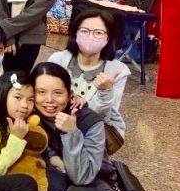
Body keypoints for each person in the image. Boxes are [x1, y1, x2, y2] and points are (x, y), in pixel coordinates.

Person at [31, 62, 122, 191]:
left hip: (94, 180)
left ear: (70, 95)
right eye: (41, 92)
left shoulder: (90, 121)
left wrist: (71, 133)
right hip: (60, 175)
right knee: (41, 174)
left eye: (57, 93)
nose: (49, 100)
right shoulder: (33, 116)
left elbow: (83, 176)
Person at [47, 8, 129, 154]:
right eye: (84, 31)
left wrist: (105, 92)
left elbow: (102, 116)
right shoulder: (58, 60)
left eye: (98, 33)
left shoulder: (117, 70)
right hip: (57, 118)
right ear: (75, 33)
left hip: (95, 126)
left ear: (108, 37)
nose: (90, 37)